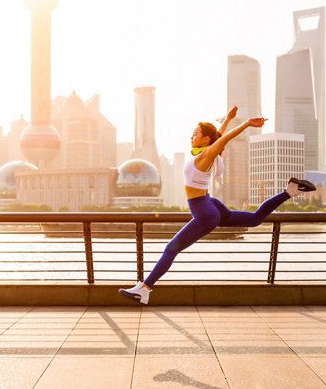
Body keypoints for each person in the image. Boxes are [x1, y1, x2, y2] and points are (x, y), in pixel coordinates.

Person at [119, 106, 315, 305]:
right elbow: (218, 137)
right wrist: (228, 119)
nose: (191, 136)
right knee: (255, 219)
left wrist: (246, 124)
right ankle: (290, 191)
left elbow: (222, 139)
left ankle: (144, 289)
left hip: (204, 212)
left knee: (171, 249)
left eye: (195, 133)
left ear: (205, 139)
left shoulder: (206, 156)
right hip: (210, 204)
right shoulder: (210, 153)